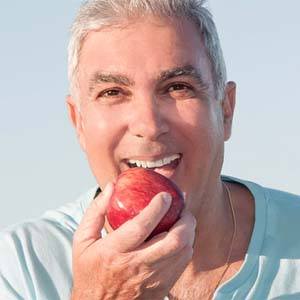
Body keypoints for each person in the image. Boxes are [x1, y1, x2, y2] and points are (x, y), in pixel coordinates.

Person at [1, 0, 300, 299]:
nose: (149, 124)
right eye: (113, 92)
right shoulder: (19, 266)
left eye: (177, 87)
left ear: (226, 110)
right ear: (78, 121)